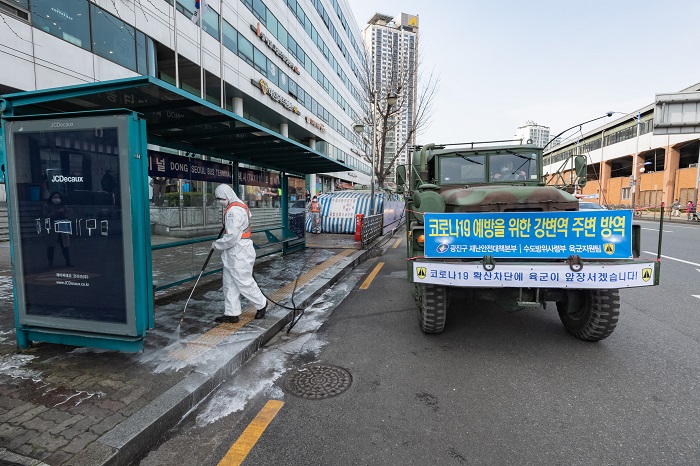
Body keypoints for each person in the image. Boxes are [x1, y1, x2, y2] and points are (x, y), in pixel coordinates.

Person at [212, 184, 267, 323]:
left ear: (227, 196)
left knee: (244, 282)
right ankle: (232, 313)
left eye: (221, 199)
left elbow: (232, 237)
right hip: (237, 251)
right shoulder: (240, 204)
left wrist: (217, 244)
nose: (220, 202)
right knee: (229, 283)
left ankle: (262, 303)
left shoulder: (233, 211)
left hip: (238, 251)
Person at [43, 192, 73, 268]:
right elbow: (46, 216)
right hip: (52, 227)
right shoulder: (47, 206)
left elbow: (69, 217)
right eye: (55, 197)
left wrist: (63, 213)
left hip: (62, 226)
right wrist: (56, 212)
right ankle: (50, 262)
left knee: (65, 246)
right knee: (51, 246)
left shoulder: (63, 206)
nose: (57, 199)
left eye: (58, 197)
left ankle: (68, 261)